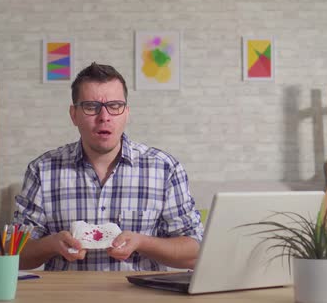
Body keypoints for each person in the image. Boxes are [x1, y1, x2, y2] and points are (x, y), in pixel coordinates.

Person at [14, 62, 203, 271]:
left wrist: (142, 243)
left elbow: (195, 253)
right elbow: (16, 256)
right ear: (74, 114)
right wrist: (51, 245)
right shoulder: (42, 170)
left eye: (114, 106)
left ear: (126, 113)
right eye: (91, 107)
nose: (104, 117)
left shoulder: (165, 169)